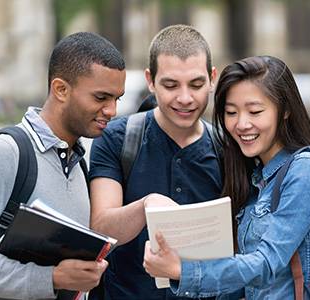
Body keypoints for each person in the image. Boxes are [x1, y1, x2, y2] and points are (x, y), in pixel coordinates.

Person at [0, 32, 125, 299]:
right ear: (60, 89)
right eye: (101, 97)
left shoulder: (79, 166)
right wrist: (50, 278)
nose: (112, 110)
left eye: (117, 98)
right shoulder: (3, 154)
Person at [143, 55, 310, 299]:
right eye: (231, 112)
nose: (241, 124)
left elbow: (265, 264)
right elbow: (244, 281)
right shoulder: (255, 177)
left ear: (286, 110)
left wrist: (184, 270)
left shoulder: (306, 171)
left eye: (255, 111)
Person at [88, 24, 222, 299]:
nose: (185, 98)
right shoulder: (117, 138)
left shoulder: (228, 149)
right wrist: (146, 205)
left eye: (196, 85)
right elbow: (100, 229)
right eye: (171, 85)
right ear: (150, 80)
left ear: (212, 78)